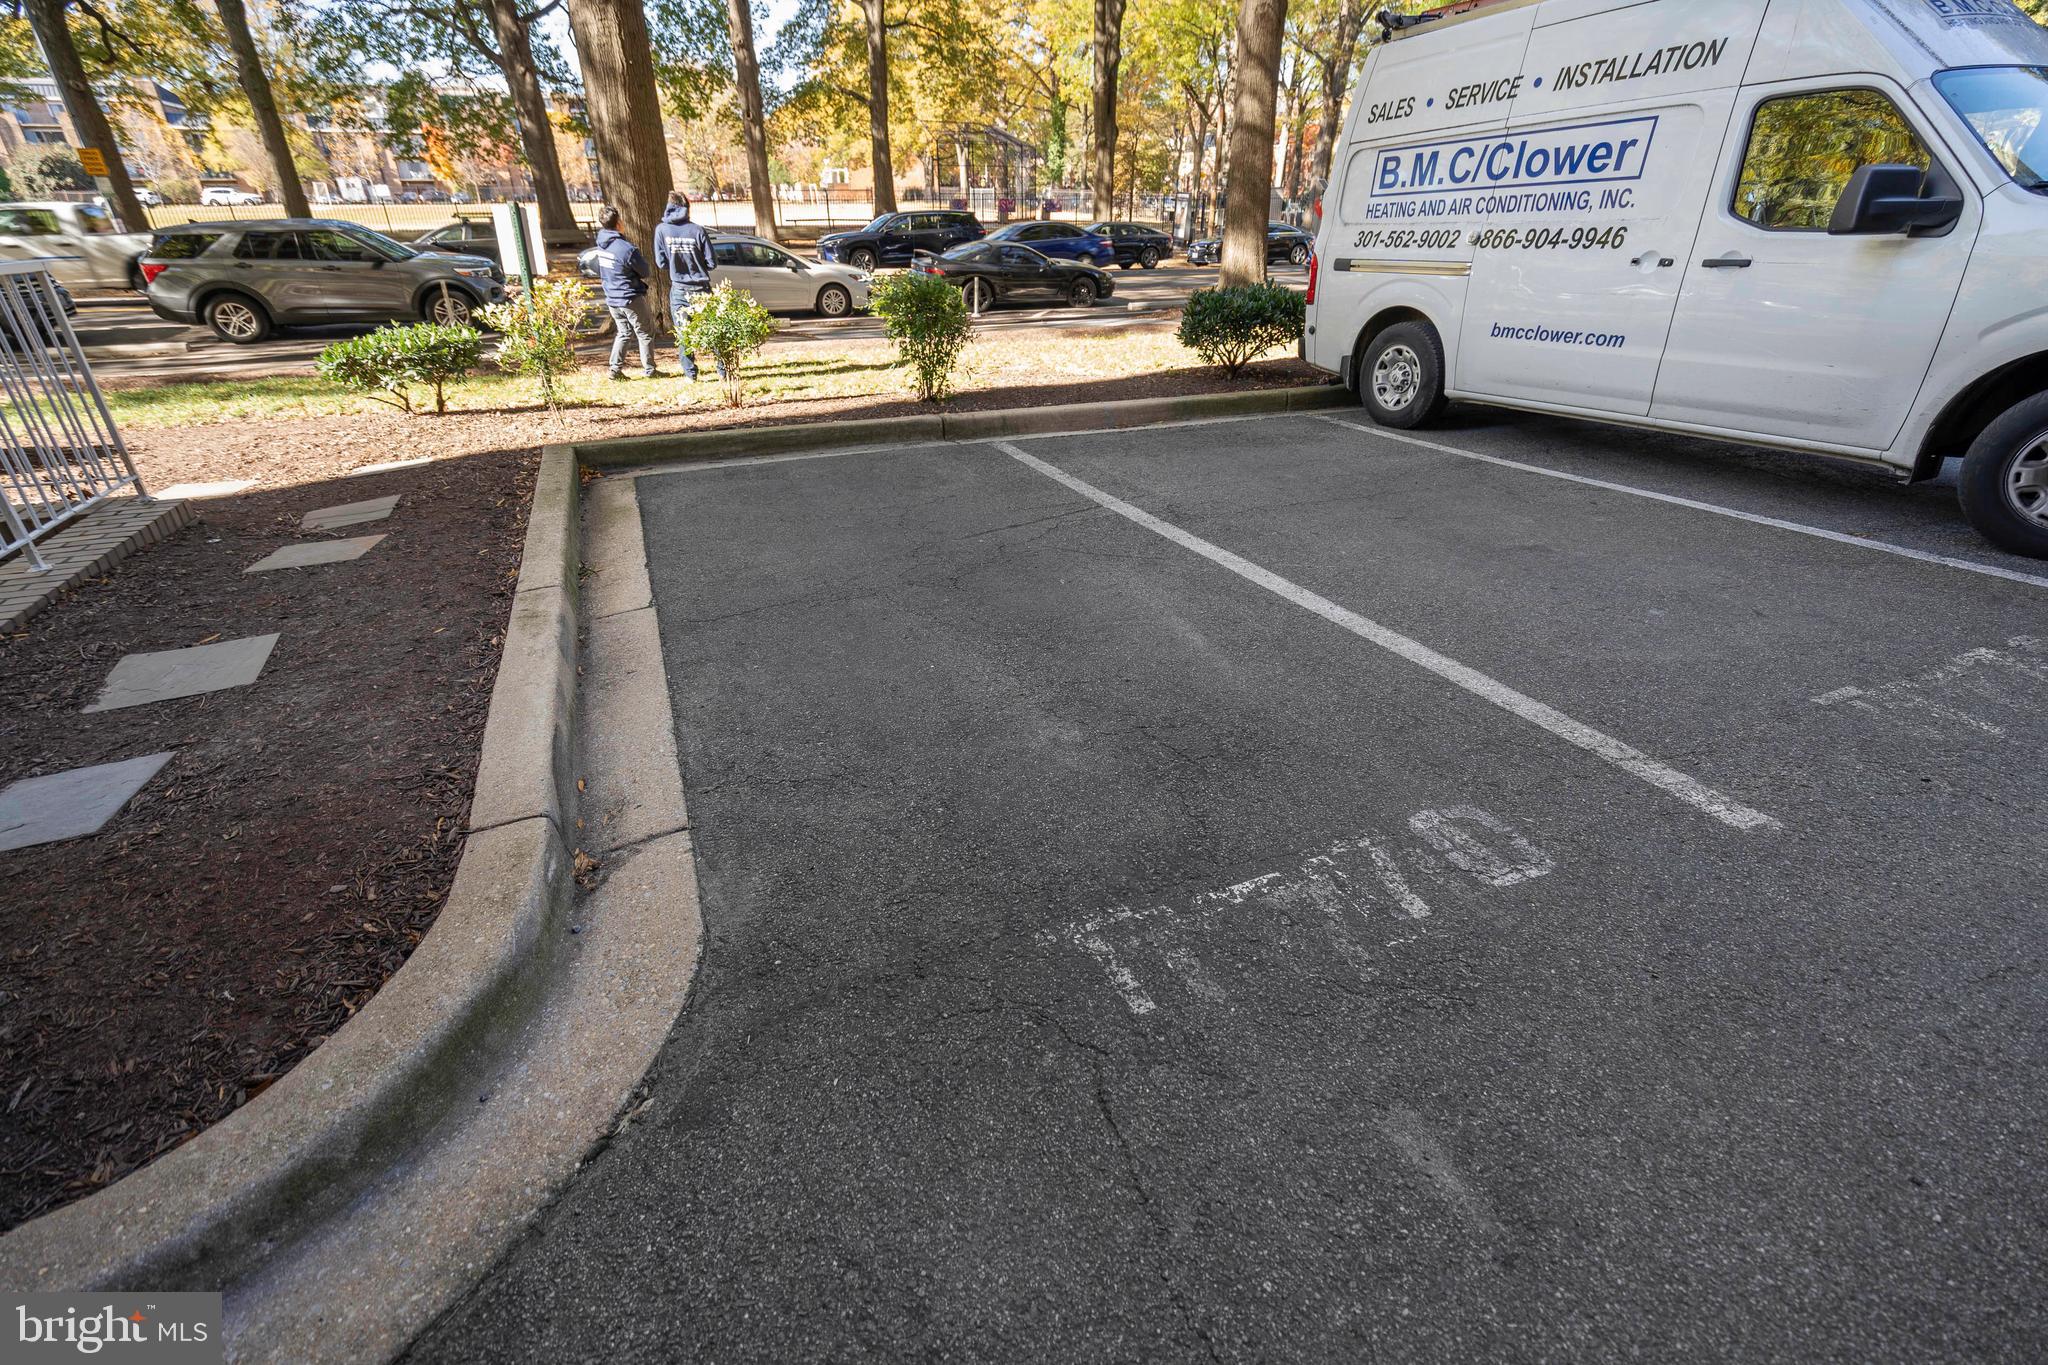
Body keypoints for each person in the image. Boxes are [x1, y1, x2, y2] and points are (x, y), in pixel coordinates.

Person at [652, 191, 721, 382]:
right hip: (701, 289)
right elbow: (712, 262)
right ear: (686, 208)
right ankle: (723, 369)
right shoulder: (697, 230)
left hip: (680, 289)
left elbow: (661, 262)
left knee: (684, 333)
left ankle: (690, 374)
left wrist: (677, 266)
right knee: (713, 329)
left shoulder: (661, 230)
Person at [591, 205, 660, 381]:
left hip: (612, 297)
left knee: (624, 332)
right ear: (619, 223)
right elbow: (645, 271)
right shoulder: (626, 249)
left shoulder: (601, 245)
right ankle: (650, 369)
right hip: (629, 296)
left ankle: (615, 370)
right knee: (645, 332)